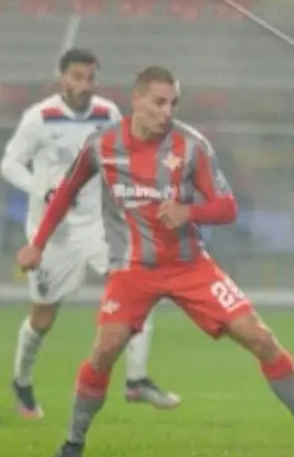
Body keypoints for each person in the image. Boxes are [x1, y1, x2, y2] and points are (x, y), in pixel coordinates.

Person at [16, 65, 294, 457]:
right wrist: (37, 244)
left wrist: (189, 211)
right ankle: (72, 445)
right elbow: (67, 191)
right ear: (136, 100)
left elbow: (227, 207)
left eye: (173, 103)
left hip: (190, 266)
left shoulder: (192, 146)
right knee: (105, 349)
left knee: (262, 339)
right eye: (159, 102)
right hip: (132, 270)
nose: (167, 111)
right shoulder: (102, 145)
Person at [1, 48, 178, 418]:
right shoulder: (40, 117)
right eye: (77, 77)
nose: (84, 85)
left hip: (98, 224)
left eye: (90, 78)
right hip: (54, 231)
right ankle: (22, 381)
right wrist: (40, 189)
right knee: (43, 318)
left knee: (140, 285)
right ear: (62, 77)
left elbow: (121, 156)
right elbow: (9, 164)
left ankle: (136, 379)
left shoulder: (107, 113)